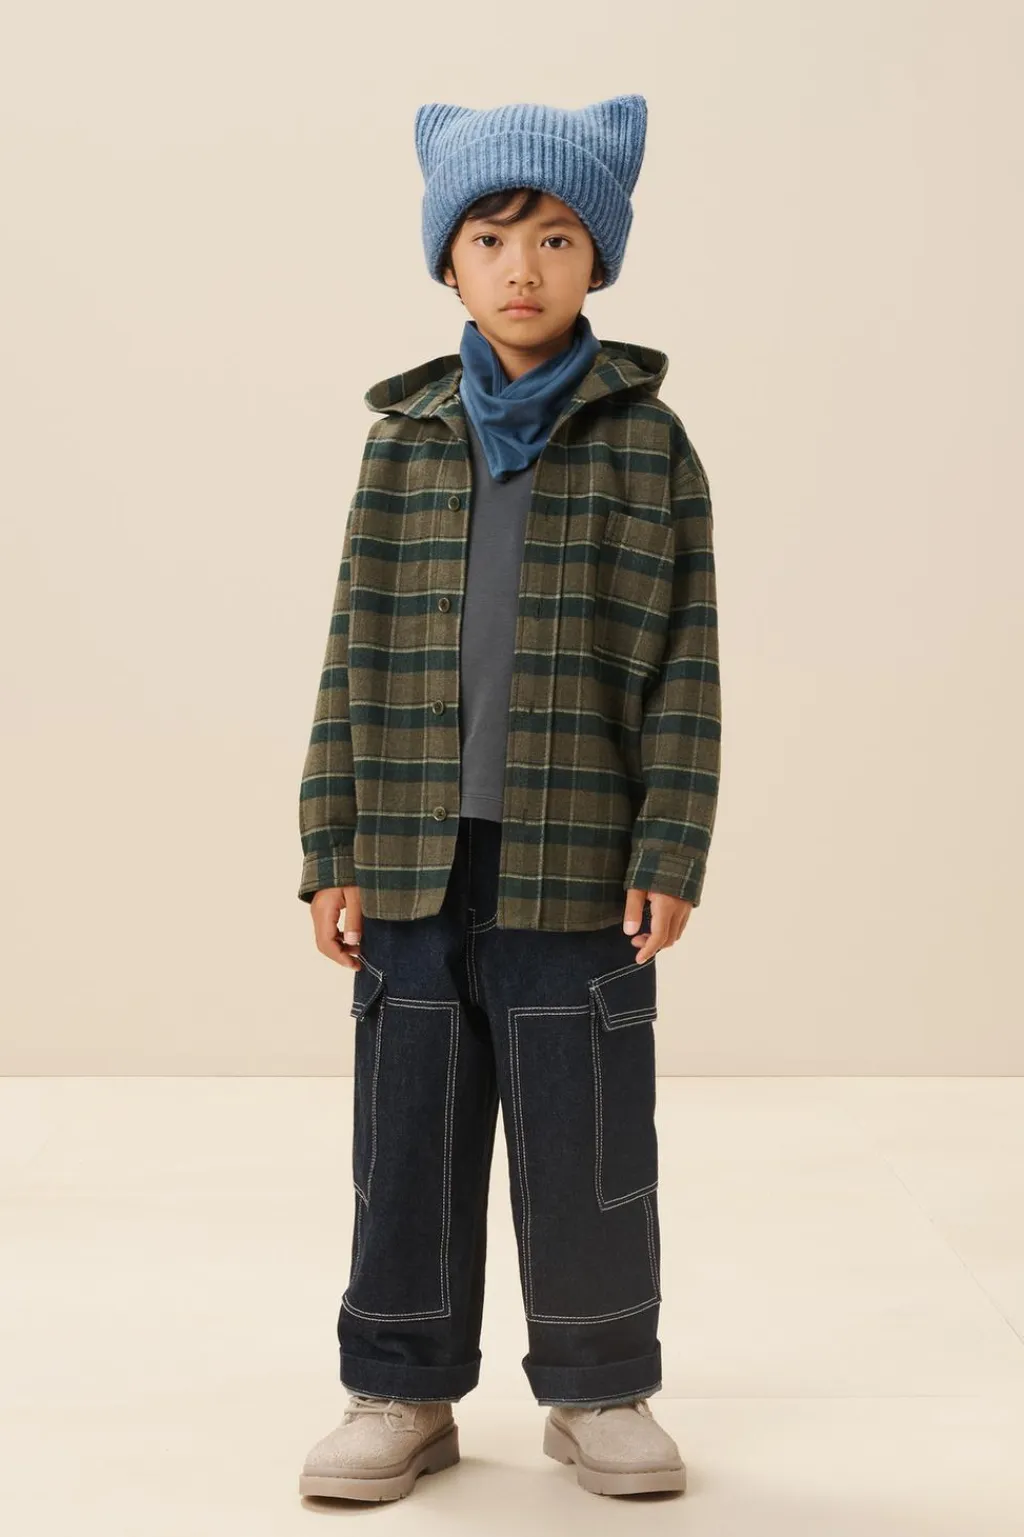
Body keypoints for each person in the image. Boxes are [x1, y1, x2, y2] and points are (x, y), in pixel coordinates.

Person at [296, 93, 721, 1503]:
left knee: (586, 1134)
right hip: (410, 854)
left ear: (599, 258)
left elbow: (687, 664)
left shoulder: (649, 445)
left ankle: (599, 1389)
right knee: (406, 1136)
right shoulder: (401, 441)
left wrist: (671, 845)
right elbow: (350, 650)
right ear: (449, 261)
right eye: (491, 238)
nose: (522, 267)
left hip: (577, 860)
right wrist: (329, 843)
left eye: (555, 237)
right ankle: (399, 1389)